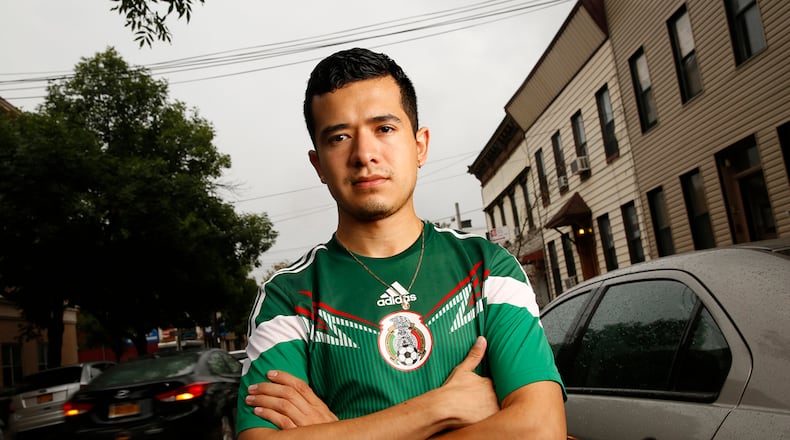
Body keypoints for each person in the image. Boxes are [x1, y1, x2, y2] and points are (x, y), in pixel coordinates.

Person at [236, 47, 566, 439]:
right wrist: (440, 408)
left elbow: (540, 429)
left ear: (420, 145)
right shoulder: (287, 297)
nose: (364, 154)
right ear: (319, 164)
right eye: (339, 137)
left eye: (384, 129)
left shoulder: (489, 268)